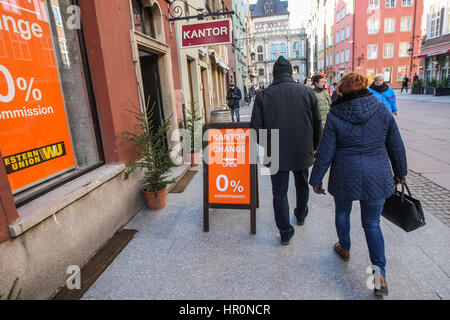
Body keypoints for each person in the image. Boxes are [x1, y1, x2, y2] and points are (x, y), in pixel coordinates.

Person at [309, 72, 407, 297]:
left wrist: (316, 179)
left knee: (342, 212)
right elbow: (396, 144)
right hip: (377, 174)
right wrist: (400, 172)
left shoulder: (336, 113)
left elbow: (325, 151)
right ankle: (379, 275)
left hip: (346, 173)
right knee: (372, 224)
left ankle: (344, 247)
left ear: (342, 90)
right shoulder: (382, 109)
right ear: (365, 87)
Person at [250, 56, 322, 245]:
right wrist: (315, 145)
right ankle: (300, 214)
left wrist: (268, 146)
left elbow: (255, 129)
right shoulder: (307, 93)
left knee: (279, 193)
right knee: (302, 184)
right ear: (290, 72)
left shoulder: (263, 95)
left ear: (274, 74)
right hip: (301, 146)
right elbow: (317, 123)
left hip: (274, 149)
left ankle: (285, 231)